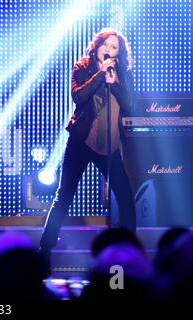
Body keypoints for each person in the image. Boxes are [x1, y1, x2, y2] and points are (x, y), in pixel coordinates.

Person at [38, 29, 136, 275]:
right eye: (107, 45)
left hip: (110, 146)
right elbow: (78, 97)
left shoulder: (122, 73)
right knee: (64, 195)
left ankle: (129, 252)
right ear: (98, 46)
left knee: (125, 197)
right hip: (82, 140)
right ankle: (45, 251)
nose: (110, 50)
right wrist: (100, 75)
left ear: (118, 53)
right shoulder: (82, 67)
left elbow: (130, 106)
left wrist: (115, 83)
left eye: (115, 47)